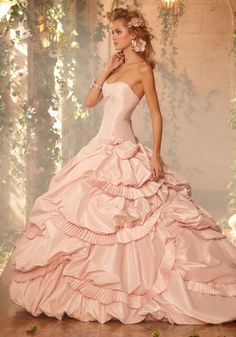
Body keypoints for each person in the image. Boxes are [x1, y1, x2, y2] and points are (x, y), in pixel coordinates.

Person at [1, 7, 236, 325]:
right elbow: (89, 102)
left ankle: (141, 286)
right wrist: (106, 69)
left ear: (134, 34)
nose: (113, 37)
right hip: (99, 149)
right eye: (111, 31)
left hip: (126, 150)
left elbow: (155, 113)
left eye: (118, 32)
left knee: (132, 221)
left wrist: (154, 155)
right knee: (82, 213)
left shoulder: (143, 70)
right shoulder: (115, 66)